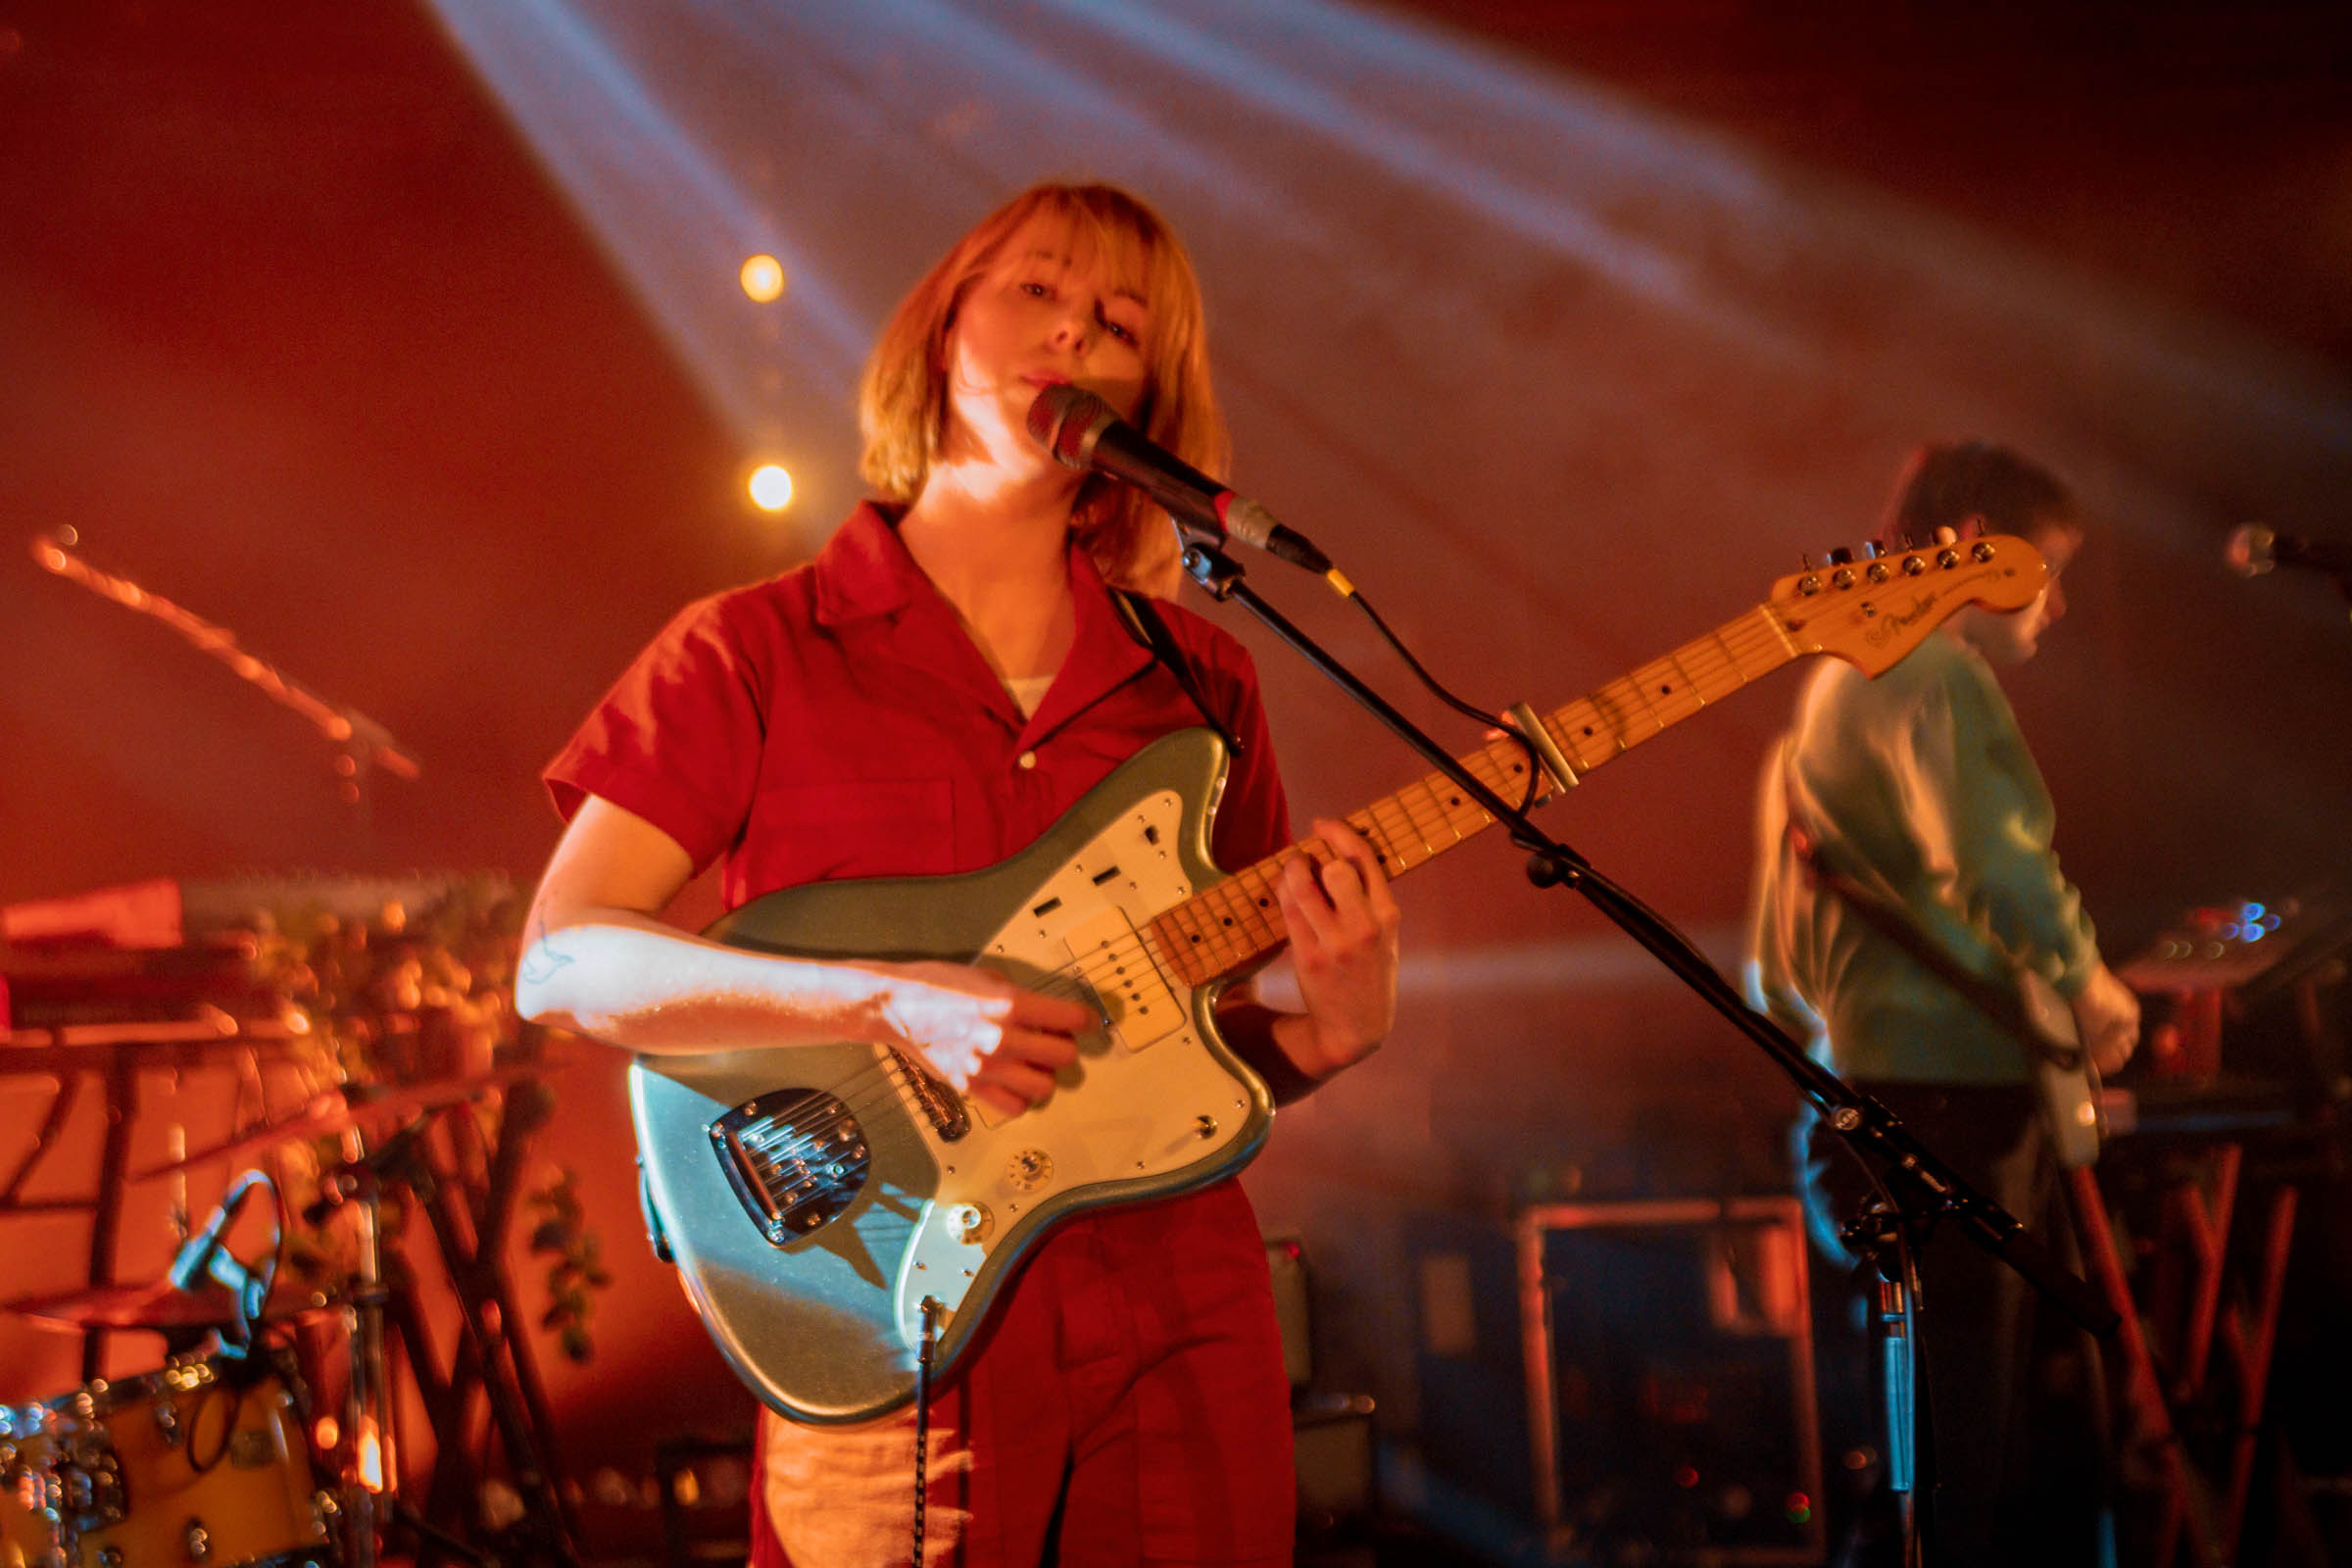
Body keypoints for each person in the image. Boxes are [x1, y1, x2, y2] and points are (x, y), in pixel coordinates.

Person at [514, 182, 1400, 1568]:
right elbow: (563, 960)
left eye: (1118, 324)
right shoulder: (749, 651)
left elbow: (1209, 1043)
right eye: (1037, 289)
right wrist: (894, 1005)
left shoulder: (1200, 676)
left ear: (1147, 396)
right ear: (942, 326)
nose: (1073, 333)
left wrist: (1324, 1030)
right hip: (889, 1323)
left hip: (1175, 1319)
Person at [1744, 441, 2140, 1565]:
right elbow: (2002, 867)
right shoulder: (1931, 668)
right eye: (2049, 571)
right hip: (1958, 1100)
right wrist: (2090, 985)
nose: (2059, 604)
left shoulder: (1835, 677)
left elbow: (1776, 967)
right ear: (1975, 544)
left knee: (1925, 1447)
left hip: (1871, 1091)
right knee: (1985, 1464)